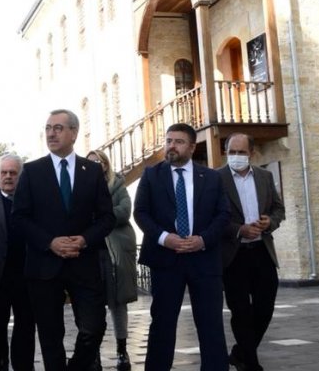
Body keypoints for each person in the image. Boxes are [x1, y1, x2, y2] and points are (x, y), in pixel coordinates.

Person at [12, 109, 115, 371]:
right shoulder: (32, 171)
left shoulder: (91, 171)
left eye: (58, 128)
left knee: (94, 327)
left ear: (74, 133)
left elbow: (107, 218)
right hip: (44, 266)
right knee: (50, 336)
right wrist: (50, 243)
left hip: (84, 262)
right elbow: (20, 217)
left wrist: (83, 240)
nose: (50, 133)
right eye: (47, 128)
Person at [133, 123, 229, 371]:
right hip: (166, 260)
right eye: (168, 141)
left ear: (192, 146)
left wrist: (203, 240)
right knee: (162, 324)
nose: (171, 146)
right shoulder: (151, 175)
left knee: (211, 325)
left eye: (178, 141)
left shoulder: (211, 177)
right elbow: (141, 213)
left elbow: (223, 215)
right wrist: (165, 237)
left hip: (204, 260)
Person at [219, 133, 285, 371]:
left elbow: (278, 209)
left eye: (241, 152)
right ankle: (251, 363)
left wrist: (270, 222)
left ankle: (239, 352)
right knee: (240, 311)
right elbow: (211, 218)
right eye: (231, 152)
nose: (236, 156)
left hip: (262, 252)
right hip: (234, 256)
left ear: (251, 153)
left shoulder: (265, 177)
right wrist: (238, 230)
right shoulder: (216, 179)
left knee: (265, 308)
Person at [0, 154, 35, 371]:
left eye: (13, 173)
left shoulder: (33, 201)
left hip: (26, 276)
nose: (8, 177)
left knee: (25, 328)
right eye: (4, 172)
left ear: (20, 176)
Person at [85, 150, 137, 371]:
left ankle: (121, 350)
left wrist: (100, 215)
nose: (96, 165)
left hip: (115, 250)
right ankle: (93, 354)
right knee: (92, 306)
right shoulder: (81, 187)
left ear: (106, 164)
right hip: (91, 252)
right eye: (90, 163)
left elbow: (125, 211)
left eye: (99, 162)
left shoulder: (117, 184)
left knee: (118, 303)